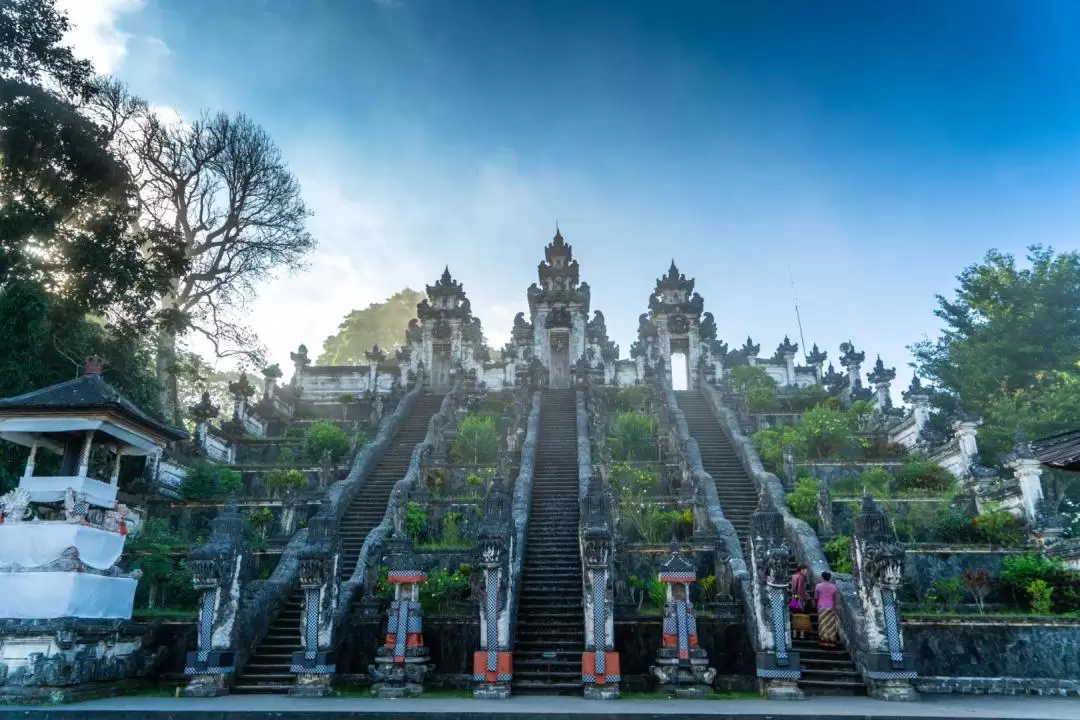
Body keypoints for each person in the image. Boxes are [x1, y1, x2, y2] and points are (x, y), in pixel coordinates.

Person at [814, 571, 840, 648]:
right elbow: (835, 599)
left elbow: (816, 597)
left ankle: (824, 640)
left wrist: (816, 604)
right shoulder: (834, 587)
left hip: (821, 607)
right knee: (831, 624)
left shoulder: (818, 586)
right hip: (831, 607)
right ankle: (831, 641)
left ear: (822, 577)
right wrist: (834, 607)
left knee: (823, 623)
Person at [789, 564, 812, 639]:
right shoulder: (801, 577)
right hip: (800, 599)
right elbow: (800, 590)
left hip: (794, 597)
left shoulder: (794, 576)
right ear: (802, 569)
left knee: (795, 615)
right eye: (805, 570)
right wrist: (806, 596)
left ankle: (794, 633)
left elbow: (793, 589)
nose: (806, 572)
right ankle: (801, 634)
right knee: (802, 615)